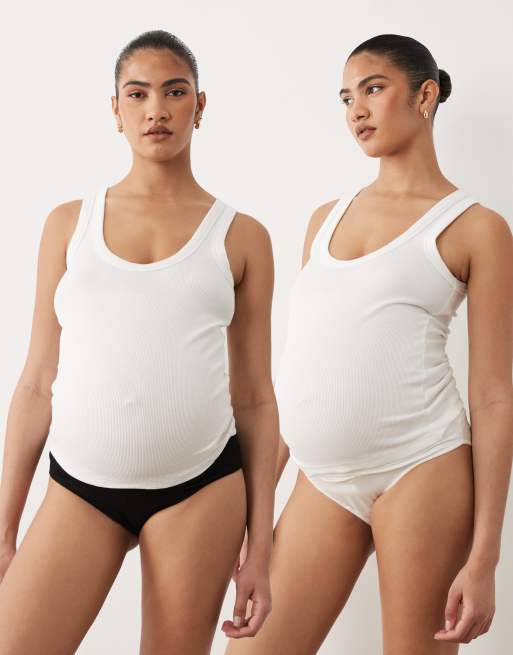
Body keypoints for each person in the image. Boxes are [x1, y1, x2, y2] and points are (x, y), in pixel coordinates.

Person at [223, 33, 513, 653]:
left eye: (373, 89)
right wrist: (257, 516)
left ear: (425, 96)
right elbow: (296, 371)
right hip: (322, 478)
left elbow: (493, 396)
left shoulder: (476, 227)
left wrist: (486, 554)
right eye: (346, 98)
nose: (356, 110)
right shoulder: (324, 218)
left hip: (422, 465)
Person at [0, 29, 277, 653]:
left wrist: (259, 547)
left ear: (199, 107)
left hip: (200, 488)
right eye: (138, 93)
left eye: (175, 92)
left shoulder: (242, 237)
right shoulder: (68, 224)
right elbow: (37, 381)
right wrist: (4, 527)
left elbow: (256, 399)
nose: (157, 110)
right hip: (80, 486)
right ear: (116, 109)